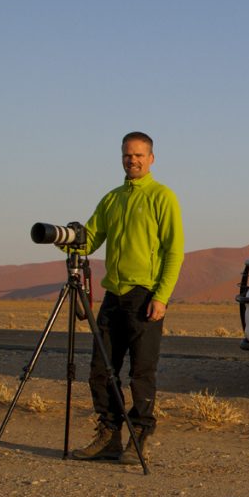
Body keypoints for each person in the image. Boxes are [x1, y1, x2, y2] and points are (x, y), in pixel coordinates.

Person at [71, 131, 184, 464]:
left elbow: (174, 252)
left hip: (144, 296)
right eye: (126, 155)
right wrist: (63, 238)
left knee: (141, 373)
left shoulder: (163, 197)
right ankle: (108, 436)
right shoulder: (111, 199)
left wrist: (161, 296)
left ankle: (139, 435)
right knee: (100, 369)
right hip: (113, 296)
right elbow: (89, 240)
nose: (132, 160)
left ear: (150, 159)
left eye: (138, 155)